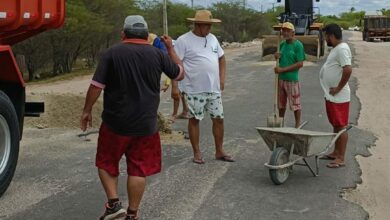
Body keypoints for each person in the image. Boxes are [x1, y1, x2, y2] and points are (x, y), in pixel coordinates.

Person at [80, 15, 184, 220]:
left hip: (115, 123)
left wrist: (86, 110)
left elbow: (96, 86)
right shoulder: (158, 54)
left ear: (123, 34)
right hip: (146, 125)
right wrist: (170, 48)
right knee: (139, 169)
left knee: (106, 162)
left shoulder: (112, 53)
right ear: (146, 35)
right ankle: (132, 214)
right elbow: (179, 74)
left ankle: (113, 204)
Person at [173, 10, 234, 164]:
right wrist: (175, 87)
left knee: (219, 118)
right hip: (194, 88)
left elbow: (221, 58)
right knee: (194, 119)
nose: (209, 29)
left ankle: (219, 151)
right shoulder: (183, 40)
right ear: (197, 25)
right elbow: (174, 66)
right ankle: (197, 153)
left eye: (210, 25)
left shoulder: (212, 39)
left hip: (213, 89)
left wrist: (222, 78)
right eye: (207, 25)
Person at [319, 23, 352, 168]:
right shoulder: (337, 49)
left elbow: (348, 70)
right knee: (336, 125)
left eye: (326, 36)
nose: (325, 39)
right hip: (333, 95)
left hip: (339, 96)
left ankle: (341, 157)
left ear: (331, 36)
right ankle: (335, 152)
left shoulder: (342, 49)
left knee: (341, 126)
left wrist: (338, 88)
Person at [274, 22, 305, 128]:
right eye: (284, 31)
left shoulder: (298, 45)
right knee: (281, 105)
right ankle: (280, 123)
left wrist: (283, 70)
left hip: (292, 80)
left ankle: (297, 125)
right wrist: (277, 56)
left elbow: (300, 63)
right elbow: (281, 59)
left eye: (288, 31)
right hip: (280, 79)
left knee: (295, 104)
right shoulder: (281, 44)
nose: (285, 33)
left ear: (293, 32)